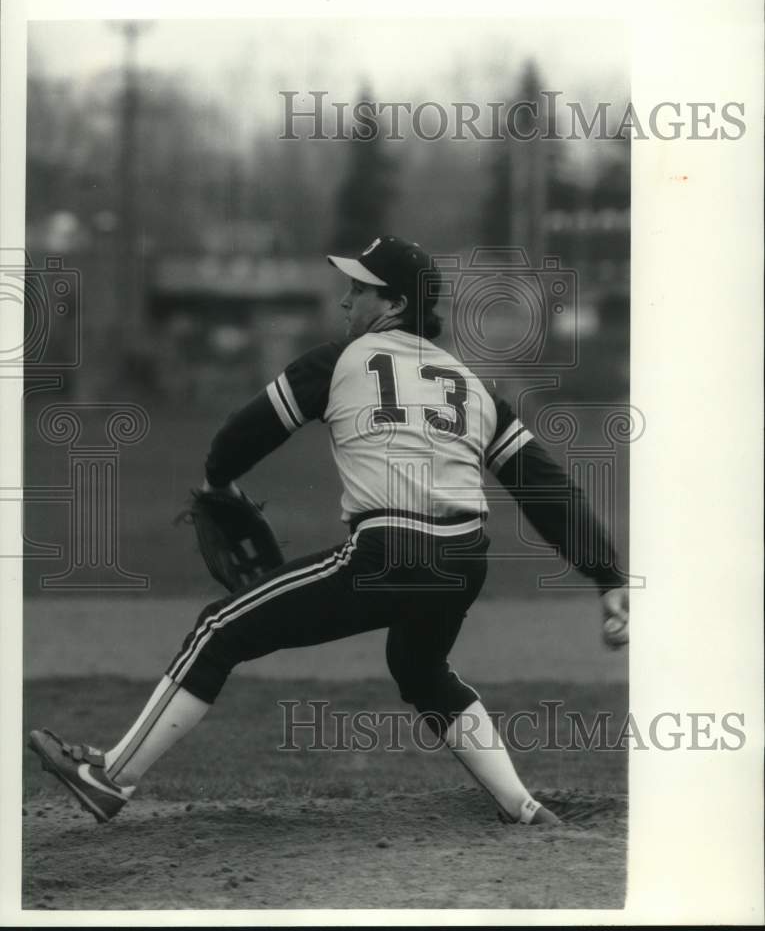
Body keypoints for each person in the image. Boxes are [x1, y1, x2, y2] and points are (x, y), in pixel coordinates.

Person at [29, 235, 628, 827]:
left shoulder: (338, 360)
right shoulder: (475, 388)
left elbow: (238, 439)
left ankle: (112, 777)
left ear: (392, 305)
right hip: (464, 563)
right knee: (421, 669)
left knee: (219, 627)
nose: (345, 303)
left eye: (357, 290)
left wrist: (220, 485)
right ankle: (522, 807)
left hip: (389, 553)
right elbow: (548, 490)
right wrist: (607, 576)